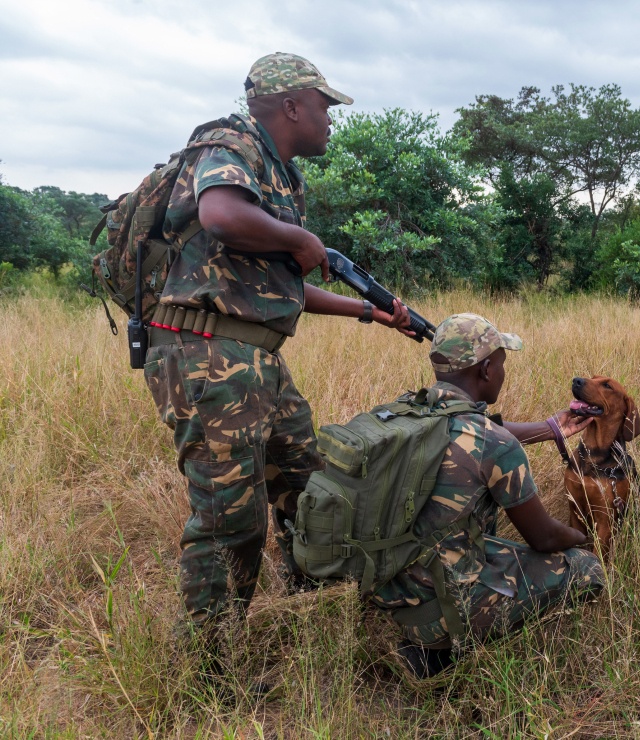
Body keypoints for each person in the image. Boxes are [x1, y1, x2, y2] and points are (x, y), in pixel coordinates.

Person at [142, 53, 415, 640]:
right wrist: (301, 237)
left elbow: (286, 288)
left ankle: (307, 607)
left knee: (307, 483)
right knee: (229, 518)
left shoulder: (277, 175)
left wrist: (371, 311)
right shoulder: (231, 144)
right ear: (292, 106)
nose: (331, 119)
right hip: (208, 355)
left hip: (254, 356)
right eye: (324, 106)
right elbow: (219, 215)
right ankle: (210, 673)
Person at [371, 313, 605, 678]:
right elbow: (543, 537)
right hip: (436, 611)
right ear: (485, 370)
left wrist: (549, 428)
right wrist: (584, 538)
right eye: (501, 364)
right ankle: (442, 652)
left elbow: (473, 427)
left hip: (385, 589)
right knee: (586, 568)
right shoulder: (496, 446)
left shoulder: (402, 412)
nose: (503, 372)